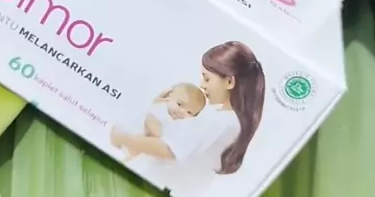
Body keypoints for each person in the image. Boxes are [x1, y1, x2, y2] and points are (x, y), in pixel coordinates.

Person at [110, 41, 265, 180]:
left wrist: (123, 138)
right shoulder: (231, 123)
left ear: (229, 81)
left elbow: (167, 149)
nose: (202, 85)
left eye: (207, 78)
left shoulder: (218, 122)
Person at [114, 83, 206, 163]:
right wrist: (158, 136)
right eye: (179, 104)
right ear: (169, 96)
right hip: (132, 133)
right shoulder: (160, 108)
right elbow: (151, 123)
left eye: (189, 112)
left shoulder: (181, 125)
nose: (182, 112)